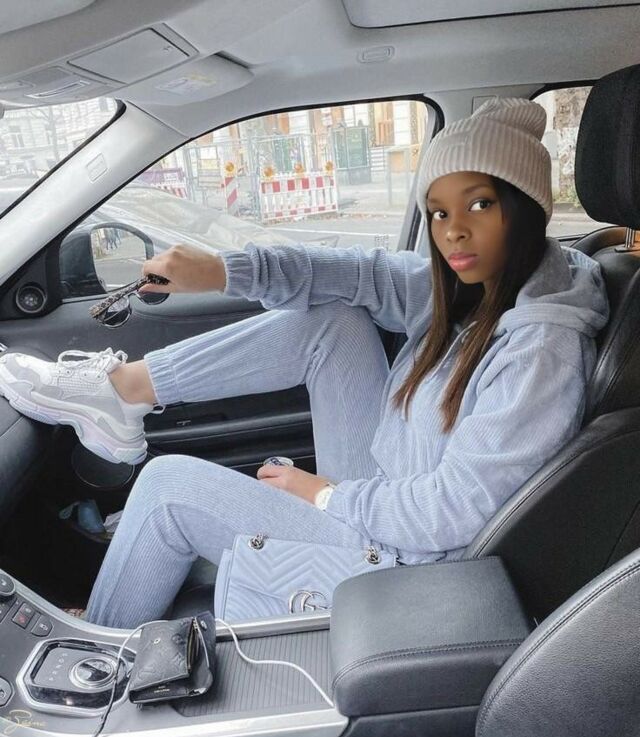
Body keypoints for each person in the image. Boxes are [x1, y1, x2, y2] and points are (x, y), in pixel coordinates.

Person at [0, 98, 609, 628]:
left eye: (479, 205)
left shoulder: (540, 351)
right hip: (388, 490)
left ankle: (103, 647)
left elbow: (453, 513)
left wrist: (324, 496)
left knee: (165, 488)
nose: (453, 232)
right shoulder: (474, 286)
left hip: (414, 555)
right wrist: (223, 271)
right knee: (336, 319)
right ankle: (124, 390)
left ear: (526, 208)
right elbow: (353, 275)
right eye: (439, 212)